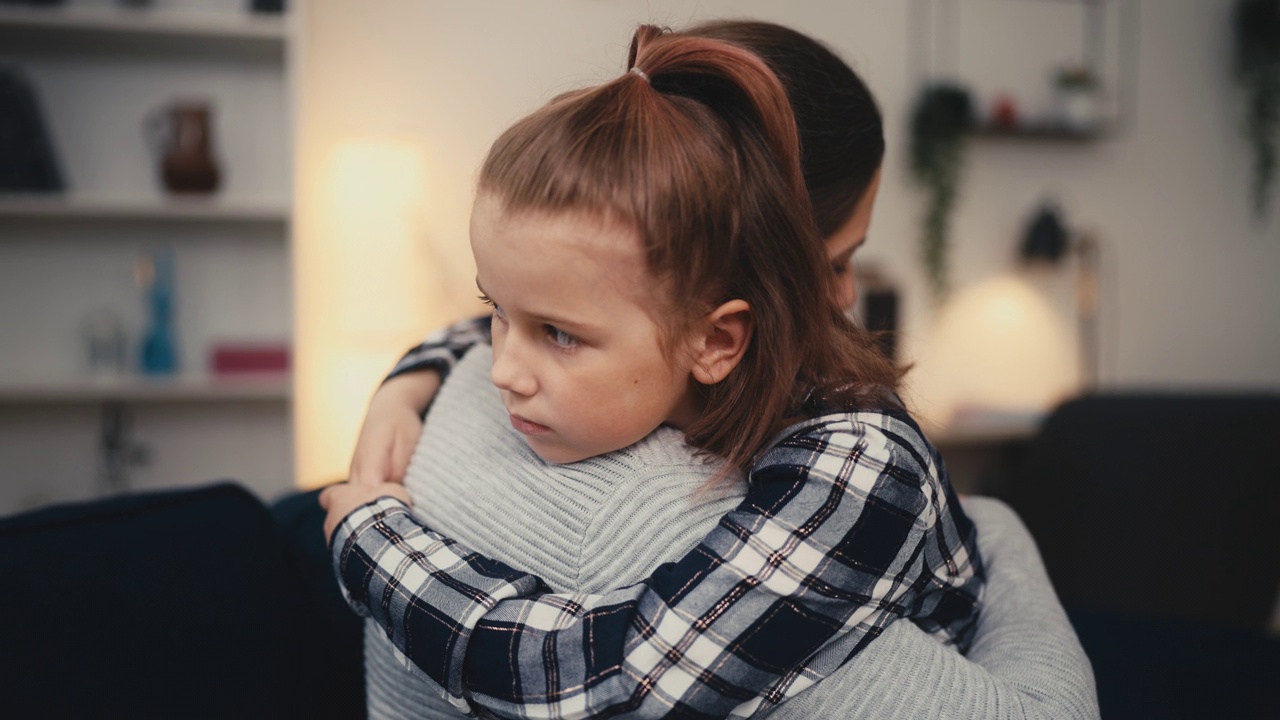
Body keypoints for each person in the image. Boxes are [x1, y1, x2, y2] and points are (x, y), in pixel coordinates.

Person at [325, 20, 1096, 720]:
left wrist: (369, 540)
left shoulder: (855, 464)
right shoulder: (646, 336)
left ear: (720, 336)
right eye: (499, 312)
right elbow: (514, 314)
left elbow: (613, 683)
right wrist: (409, 379)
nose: (500, 370)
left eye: (556, 334)